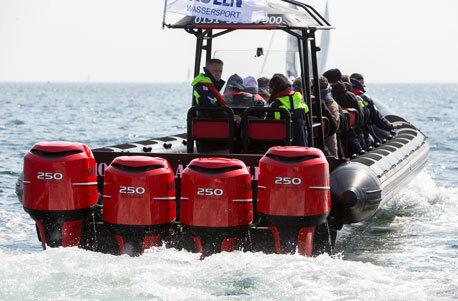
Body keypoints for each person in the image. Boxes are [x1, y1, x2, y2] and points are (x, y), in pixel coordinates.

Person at [350, 73, 395, 144]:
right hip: (362, 133)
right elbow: (376, 118)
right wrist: (391, 126)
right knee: (376, 141)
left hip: (349, 134)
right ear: (360, 84)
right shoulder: (364, 98)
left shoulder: (344, 97)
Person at [267, 74, 309, 146]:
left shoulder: (275, 104)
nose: (269, 91)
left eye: (269, 88)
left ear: (273, 88)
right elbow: (306, 114)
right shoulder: (299, 98)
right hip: (302, 142)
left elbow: (268, 124)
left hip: (281, 145)